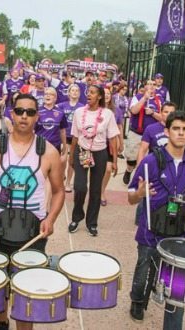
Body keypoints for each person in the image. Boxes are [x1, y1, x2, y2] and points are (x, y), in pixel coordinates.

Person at [0, 93, 65, 330]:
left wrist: (51, 219)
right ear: (12, 114)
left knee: (26, 291)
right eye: (19, 111)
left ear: (37, 117)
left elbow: (60, 191)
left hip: (33, 232)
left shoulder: (49, 152)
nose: (24, 116)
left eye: (30, 112)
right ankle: (2, 320)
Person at [127, 111, 185, 329]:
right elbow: (131, 197)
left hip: (180, 234)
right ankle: (138, 301)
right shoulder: (151, 161)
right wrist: (139, 194)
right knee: (144, 269)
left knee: (178, 288)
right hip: (151, 231)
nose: (180, 133)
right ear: (167, 132)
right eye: (176, 128)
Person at [68, 85, 120, 236]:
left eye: (92, 92)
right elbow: (75, 137)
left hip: (99, 153)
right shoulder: (78, 113)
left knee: (95, 190)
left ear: (99, 96)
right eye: (88, 92)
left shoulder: (107, 114)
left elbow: (112, 138)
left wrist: (115, 160)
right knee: (80, 187)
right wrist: (71, 157)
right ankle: (76, 217)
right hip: (83, 152)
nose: (88, 95)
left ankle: (92, 223)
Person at [123, 80, 164, 185]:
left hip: (151, 135)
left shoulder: (159, 100)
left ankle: (140, 178)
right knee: (132, 159)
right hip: (137, 132)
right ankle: (128, 170)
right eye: (149, 84)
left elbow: (163, 118)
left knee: (149, 159)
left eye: (153, 84)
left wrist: (153, 113)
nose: (151, 86)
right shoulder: (137, 97)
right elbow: (134, 111)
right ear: (145, 86)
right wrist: (144, 98)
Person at [58, 84, 85, 192]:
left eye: (76, 90)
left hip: (76, 137)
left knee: (71, 160)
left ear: (79, 93)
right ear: (68, 93)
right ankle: (61, 177)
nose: (74, 92)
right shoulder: (61, 105)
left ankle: (68, 182)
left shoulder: (82, 107)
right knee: (62, 160)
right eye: (72, 90)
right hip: (64, 136)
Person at [100, 87, 123, 206]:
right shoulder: (96, 108)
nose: (106, 95)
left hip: (111, 144)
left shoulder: (117, 111)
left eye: (108, 93)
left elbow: (119, 127)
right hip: (97, 143)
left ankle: (102, 191)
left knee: (108, 169)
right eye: (104, 93)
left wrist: (121, 142)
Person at [35, 87, 67, 155]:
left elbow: (63, 131)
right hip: (40, 145)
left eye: (51, 94)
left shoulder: (60, 112)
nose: (48, 95)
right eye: (46, 94)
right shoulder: (37, 112)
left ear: (55, 98)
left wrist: (64, 145)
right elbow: (32, 130)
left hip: (55, 145)